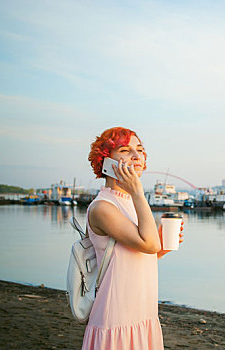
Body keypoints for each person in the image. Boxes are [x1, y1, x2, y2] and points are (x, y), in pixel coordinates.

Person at [82, 127, 183, 350]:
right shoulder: (102, 207)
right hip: (117, 319)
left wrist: (161, 248)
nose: (137, 156)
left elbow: (140, 255)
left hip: (142, 314)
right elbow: (147, 244)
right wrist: (138, 191)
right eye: (125, 150)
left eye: (140, 150)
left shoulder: (130, 202)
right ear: (105, 161)